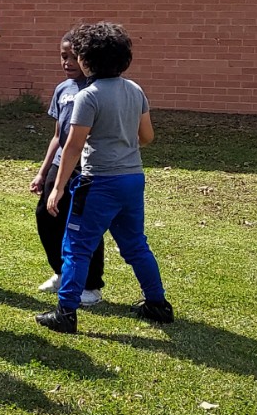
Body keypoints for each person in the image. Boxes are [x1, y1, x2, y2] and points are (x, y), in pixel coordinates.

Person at [36, 23, 175, 333]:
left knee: (76, 246)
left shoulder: (89, 96)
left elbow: (73, 146)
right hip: (132, 179)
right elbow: (147, 137)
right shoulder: (135, 89)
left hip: (98, 182)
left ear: (86, 60)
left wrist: (57, 187)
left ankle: (65, 312)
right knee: (135, 245)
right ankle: (157, 304)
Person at [33, 33, 106, 304]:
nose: (67, 62)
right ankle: (61, 271)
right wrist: (42, 172)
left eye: (74, 57)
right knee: (46, 215)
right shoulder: (63, 89)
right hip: (60, 163)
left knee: (84, 224)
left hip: (87, 165)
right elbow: (57, 136)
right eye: (63, 56)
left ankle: (91, 285)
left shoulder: (97, 89)